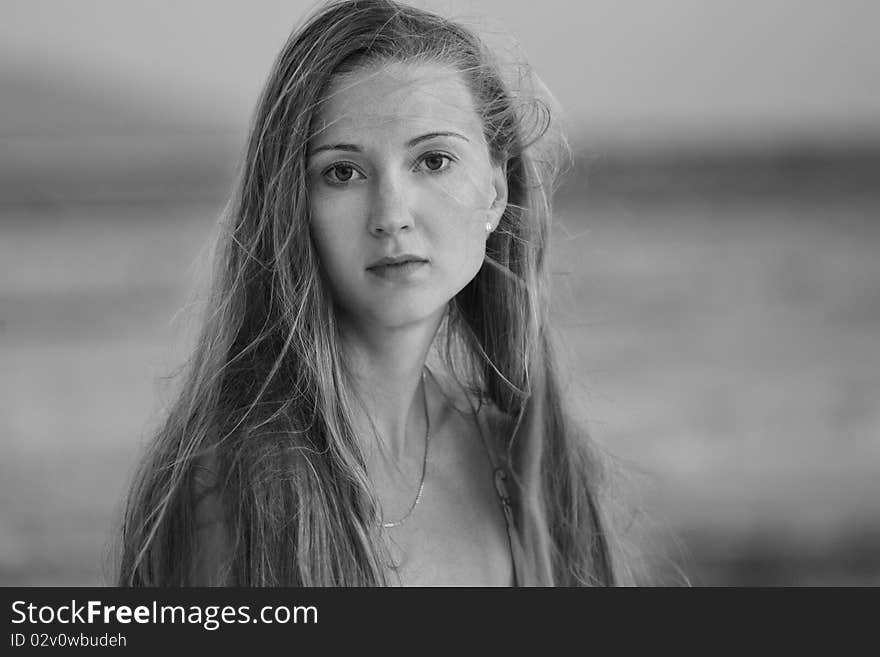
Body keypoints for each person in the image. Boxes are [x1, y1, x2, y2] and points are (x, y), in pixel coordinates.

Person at [117, 0, 632, 586]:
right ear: (293, 208)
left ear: (495, 189)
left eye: (433, 160)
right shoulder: (231, 490)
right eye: (343, 172)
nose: (391, 215)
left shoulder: (521, 464)